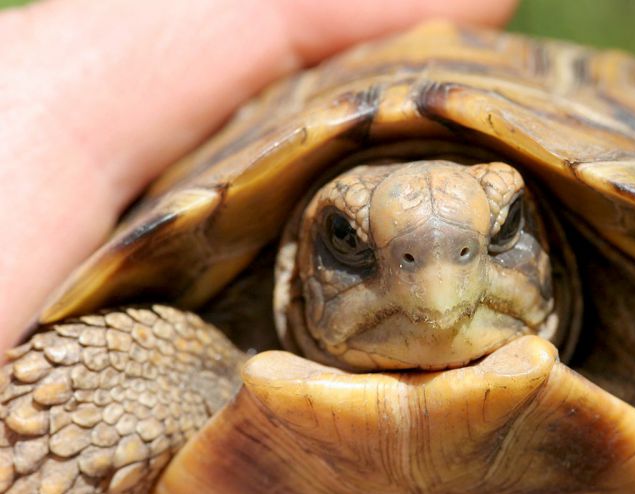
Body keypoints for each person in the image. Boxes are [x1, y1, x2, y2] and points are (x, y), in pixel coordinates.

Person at [0, 0, 516, 352]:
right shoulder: (174, 355)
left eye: (506, 232)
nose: (435, 279)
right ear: (295, 268)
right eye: (344, 239)